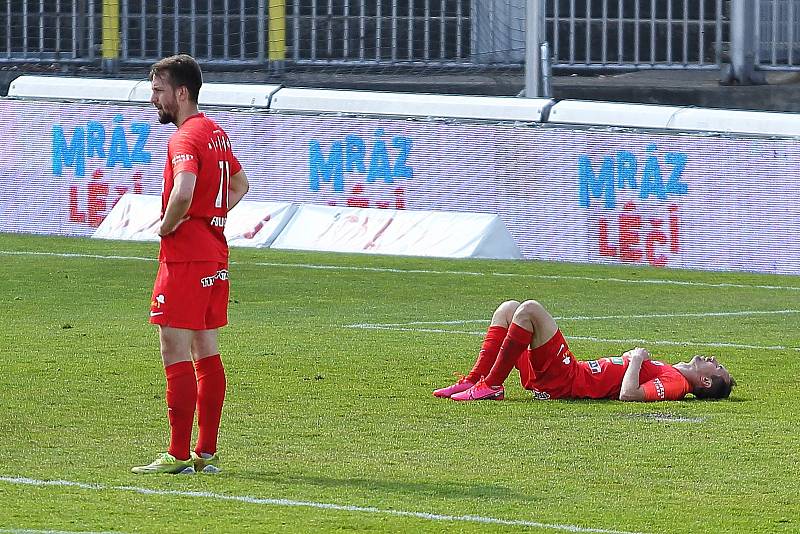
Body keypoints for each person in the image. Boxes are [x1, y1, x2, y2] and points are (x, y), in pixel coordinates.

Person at [132, 54, 249, 474]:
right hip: (214, 253)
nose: (154, 101)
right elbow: (240, 184)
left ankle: (178, 454)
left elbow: (183, 189)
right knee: (206, 348)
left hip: (185, 258)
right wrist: (211, 218)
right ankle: (206, 451)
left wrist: (168, 226)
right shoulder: (216, 133)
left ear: (181, 93)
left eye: (158, 91)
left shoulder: (184, 138)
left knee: (173, 347)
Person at [434, 299, 735, 402]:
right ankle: (476, 380)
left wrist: (636, 359)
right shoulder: (671, 372)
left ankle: (492, 385)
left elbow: (628, 394)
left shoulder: (677, 384)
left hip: (568, 380)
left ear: (706, 382)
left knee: (529, 310)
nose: (713, 359)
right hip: (565, 376)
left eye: (717, 367)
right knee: (509, 309)